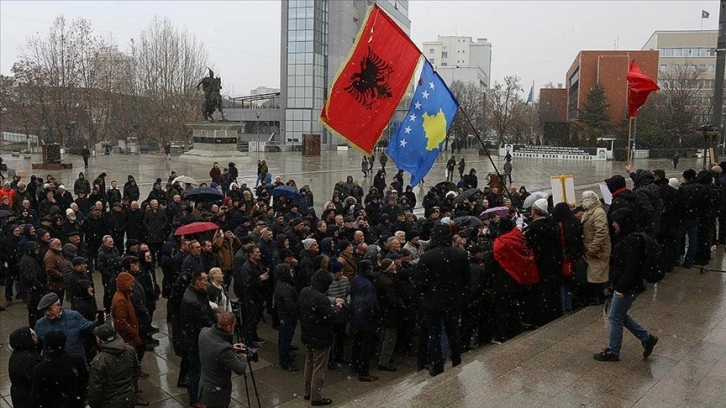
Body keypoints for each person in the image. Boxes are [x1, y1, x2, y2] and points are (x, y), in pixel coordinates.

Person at [593, 208, 658, 362]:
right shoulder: (629, 237)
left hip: (627, 286)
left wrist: (621, 288)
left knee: (614, 316)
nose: (613, 225)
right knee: (619, 315)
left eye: (616, 221)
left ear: (623, 222)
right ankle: (647, 338)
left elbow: (631, 267)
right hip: (627, 284)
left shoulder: (631, 240)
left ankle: (613, 351)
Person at [414, 223, 470, 377]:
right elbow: (466, 280)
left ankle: (437, 365)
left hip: (433, 302)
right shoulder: (460, 254)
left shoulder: (427, 256)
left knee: (435, 334)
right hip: (453, 300)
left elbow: (419, 282)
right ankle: (457, 359)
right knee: (453, 331)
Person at [299, 270, 345, 406]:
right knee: (319, 368)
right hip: (321, 337)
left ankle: (307, 392)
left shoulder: (305, 291)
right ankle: (316, 397)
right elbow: (330, 316)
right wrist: (337, 307)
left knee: (309, 364)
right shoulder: (321, 298)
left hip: (308, 334)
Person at [180, 270, 217, 408]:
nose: (207, 283)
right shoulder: (193, 300)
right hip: (194, 341)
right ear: (197, 282)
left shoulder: (196, 294)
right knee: (195, 371)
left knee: (195, 369)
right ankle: (194, 399)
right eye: (205, 281)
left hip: (194, 337)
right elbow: (204, 320)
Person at [198, 311, 248, 408]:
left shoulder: (203, 332)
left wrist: (231, 348)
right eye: (234, 325)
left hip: (205, 386)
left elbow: (212, 350)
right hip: (217, 394)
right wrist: (242, 354)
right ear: (229, 327)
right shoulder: (223, 349)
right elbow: (240, 369)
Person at [87, 324, 144, 408]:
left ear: (99, 340)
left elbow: (95, 389)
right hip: (129, 399)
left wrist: (92, 404)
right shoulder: (130, 349)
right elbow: (136, 372)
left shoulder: (99, 361)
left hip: (109, 403)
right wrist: (133, 389)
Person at [30, 330, 89, 408]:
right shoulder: (78, 360)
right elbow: (84, 381)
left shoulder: (41, 368)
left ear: (48, 346)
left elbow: (37, 395)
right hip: (75, 403)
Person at [34, 292, 98, 362]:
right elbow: (36, 348)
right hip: (54, 366)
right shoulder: (40, 324)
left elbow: (88, 327)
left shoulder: (74, 316)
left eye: (50, 309)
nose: (47, 313)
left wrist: (98, 322)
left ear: (58, 305)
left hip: (75, 363)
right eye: (44, 311)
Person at [580, 191, 611, 305]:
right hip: (592, 248)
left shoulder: (598, 212)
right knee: (595, 274)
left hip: (598, 250)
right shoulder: (591, 211)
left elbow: (601, 232)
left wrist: (593, 248)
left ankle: (599, 298)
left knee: (597, 274)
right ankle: (597, 297)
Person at [8, 326, 43, 408]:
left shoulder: (18, 353)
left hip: (20, 396)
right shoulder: (29, 359)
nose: (36, 337)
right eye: (32, 335)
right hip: (28, 398)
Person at [274, 263, 300, 371]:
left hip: (286, 316)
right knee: (285, 339)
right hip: (287, 316)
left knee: (285, 338)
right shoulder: (285, 287)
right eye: (290, 271)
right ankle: (285, 362)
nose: (292, 272)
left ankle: (285, 356)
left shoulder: (283, 284)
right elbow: (290, 305)